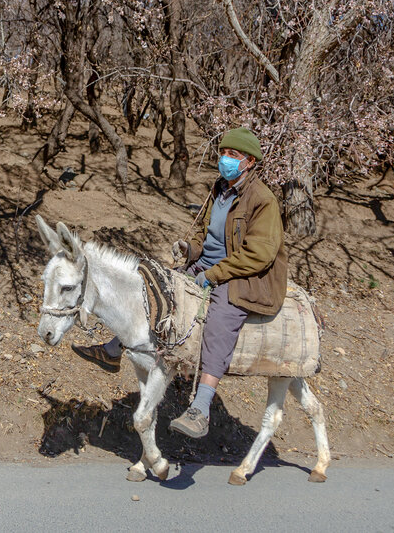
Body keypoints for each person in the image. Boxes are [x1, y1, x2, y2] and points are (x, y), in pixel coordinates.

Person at [71, 127, 288, 439]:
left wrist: (213, 275)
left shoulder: (262, 201)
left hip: (244, 278)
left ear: (250, 162)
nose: (225, 159)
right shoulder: (220, 188)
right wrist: (191, 250)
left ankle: (201, 409)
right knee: (153, 289)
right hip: (206, 266)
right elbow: (204, 232)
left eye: (234, 156)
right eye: (223, 153)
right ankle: (114, 348)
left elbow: (260, 254)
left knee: (219, 321)